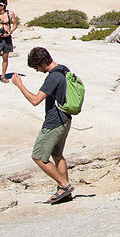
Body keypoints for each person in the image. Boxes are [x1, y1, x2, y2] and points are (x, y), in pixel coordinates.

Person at [12, 46, 74, 204]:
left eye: (36, 68)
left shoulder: (52, 77)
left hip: (54, 122)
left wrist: (19, 84)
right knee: (57, 155)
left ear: (41, 64)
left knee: (38, 156)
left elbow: (35, 100)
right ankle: (65, 193)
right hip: (66, 119)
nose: (37, 71)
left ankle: (64, 185)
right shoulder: (63, 69)